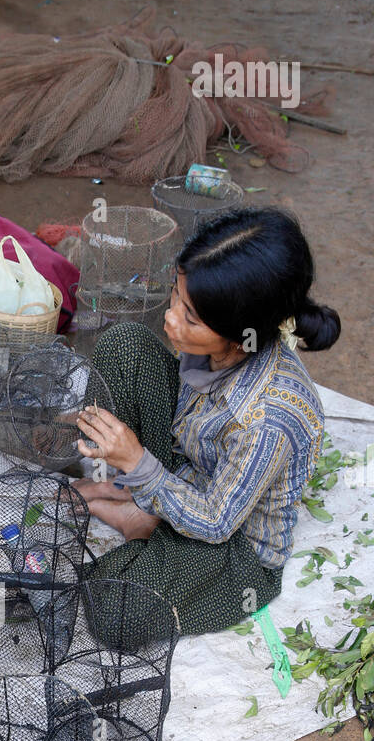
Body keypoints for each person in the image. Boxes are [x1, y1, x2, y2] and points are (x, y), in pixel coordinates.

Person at [75, 207, 341, 636]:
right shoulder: (225, 342)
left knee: (116, 614)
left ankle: (140, 518)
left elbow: (218, 522)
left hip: (233, 543)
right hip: (189, 469)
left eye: (191, 316)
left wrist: (141, 463)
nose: (170, 315)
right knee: (125, 344)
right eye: (178, 296)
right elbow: (182, 413)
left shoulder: (269, 419)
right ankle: (130, 494)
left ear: (240, 334)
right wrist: (140, 465)